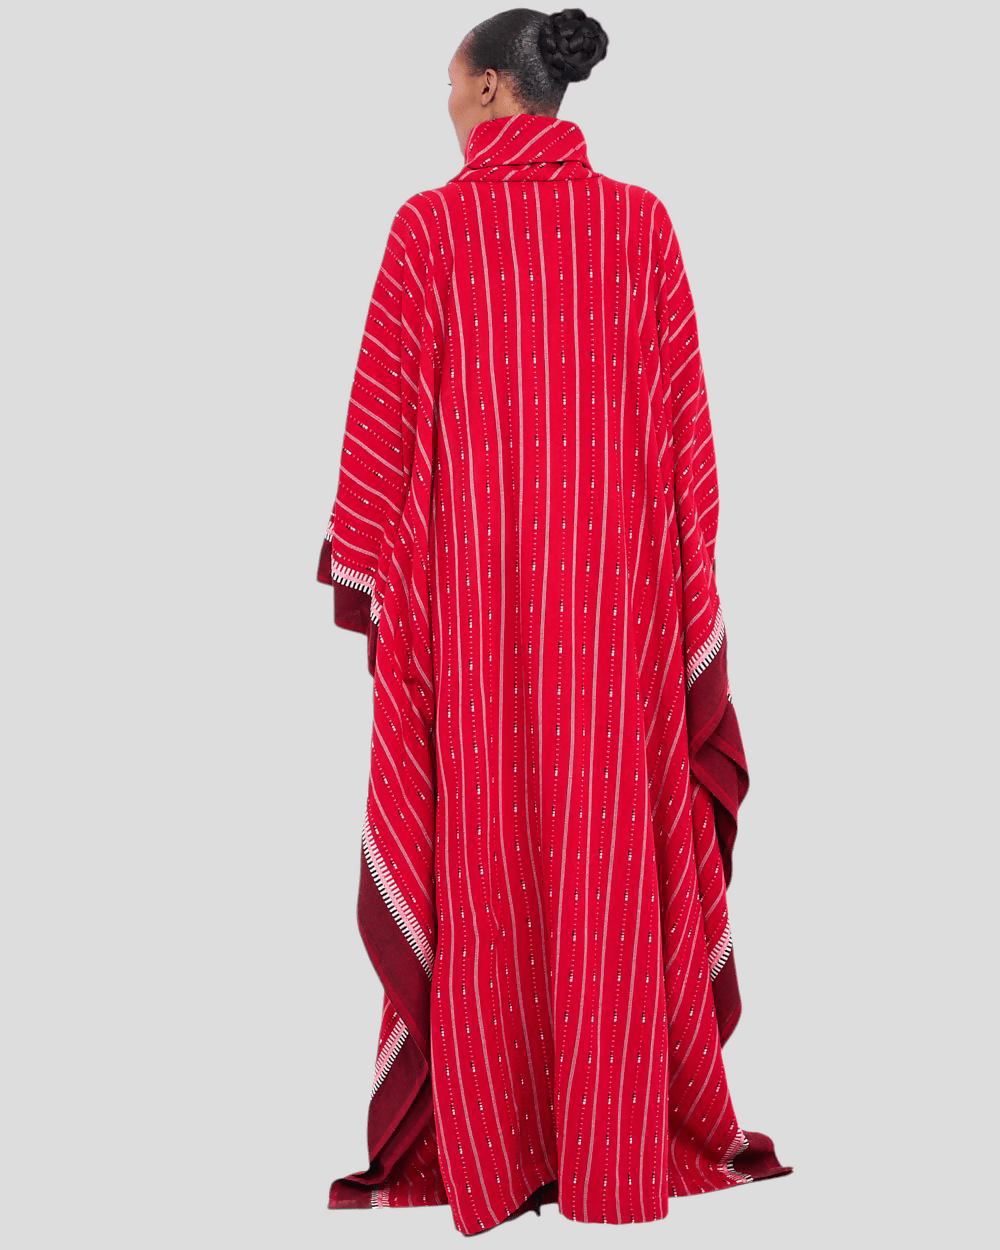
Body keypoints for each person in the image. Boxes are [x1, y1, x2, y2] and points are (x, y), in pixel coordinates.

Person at [315, 6, 792, 1236]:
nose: (443, 108)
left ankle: (498, 1147)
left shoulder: (429, 228)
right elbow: (689, 447)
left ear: (488, 89)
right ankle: (608, 1142)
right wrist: (676, 591)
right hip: (617, 622)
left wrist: (362, 565)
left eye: (448, 86)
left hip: (473, 623)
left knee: (484, 855)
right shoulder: (640, 224)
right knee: (603, 857)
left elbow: (378, 435)